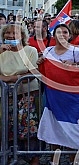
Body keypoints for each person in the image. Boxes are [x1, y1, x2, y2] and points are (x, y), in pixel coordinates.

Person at [0, 24, 40, 165]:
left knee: (30, 129)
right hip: (7, 97)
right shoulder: (1, 52)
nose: (11, 36)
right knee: (9, 128)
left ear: (22, 35)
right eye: (7, 33)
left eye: (14, 33)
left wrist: (8, 78)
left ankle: (34, 159)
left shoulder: (30, 50)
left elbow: (33, 72)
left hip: (28, 96)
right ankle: (9, 157)